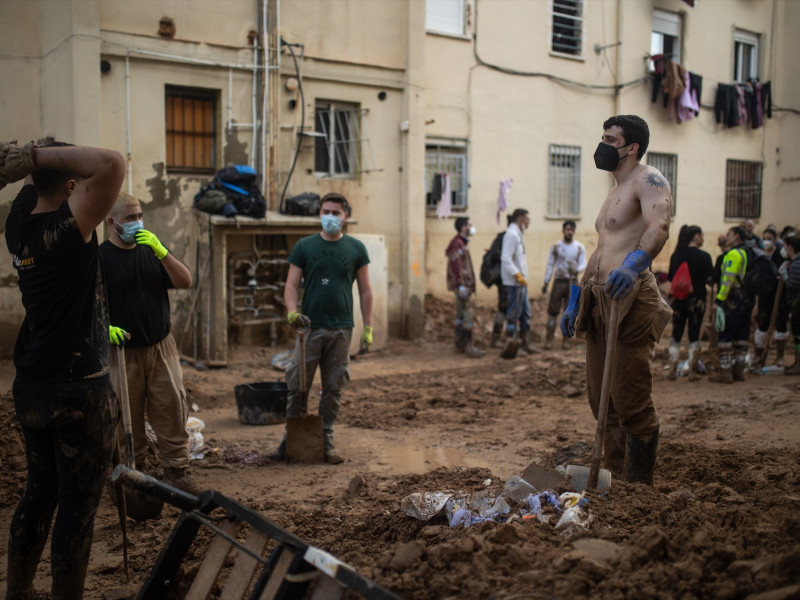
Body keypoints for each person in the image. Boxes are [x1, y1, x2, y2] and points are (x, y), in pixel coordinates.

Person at [3, 140, 125, 599]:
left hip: (32, 387)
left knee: (39, 492)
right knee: (77, 509)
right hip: (79, 394)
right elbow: (110, 163)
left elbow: (31, 185)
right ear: (73, 186)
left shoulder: (17, 228)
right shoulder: (67, 230)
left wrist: (30, 160)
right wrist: (37, 154)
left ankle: (18, 591)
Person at [560, 115, 672, 485]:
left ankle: (638, 482)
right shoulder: (614, 191)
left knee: (629, 393)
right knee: (600, 397)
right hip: (598, 299)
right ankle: (613, 470)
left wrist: (634, 264)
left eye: (610, 139)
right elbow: (600, 250)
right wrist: (576, 298)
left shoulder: (649, 180)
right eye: (603, 136)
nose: (603, 144)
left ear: (631, 147)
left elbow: (659, 226)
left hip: (630, 296)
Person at [100, 192, 196, 491]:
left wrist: (161, 251)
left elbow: (185, 281)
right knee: (125, 419)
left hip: (161, 347)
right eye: (131, 218)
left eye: (140, 216)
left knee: (171, 410)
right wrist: (104, 328)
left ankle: (177, 471)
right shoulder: (100, 257)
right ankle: (134, 474)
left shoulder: (152, 250)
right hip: (122, 351)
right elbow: (85, 305)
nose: (138, 223)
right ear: (111, 221)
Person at [269, 193, 372, 464]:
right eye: (326, 211)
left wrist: (368, 327)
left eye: (336, 213)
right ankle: (290, 439)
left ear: (345, 217)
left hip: (341, 329)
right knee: (296, 384)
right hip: (309, 328)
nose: (330, 217)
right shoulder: (304, 246)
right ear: (319, 214)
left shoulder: (356, 248)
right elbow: (291, 285)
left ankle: (325, 438)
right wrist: (292, 312)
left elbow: (366, 290)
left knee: (334, 386)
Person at [666, 225, 713, 381]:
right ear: (696, 236)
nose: (703, 238)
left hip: (678, 301)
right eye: (702, 235)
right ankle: (692, 372)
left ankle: (672, 370)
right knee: (694, 335)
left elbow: (672, 277)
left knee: (676, 334)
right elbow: (710, 279)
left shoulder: (676, 255)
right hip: (697, 300)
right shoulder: (705, 256)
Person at [709, 226, 754, 383]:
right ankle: (739, 371)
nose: (727, 237)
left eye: (729, 234)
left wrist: (719, 300)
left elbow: (727, 279)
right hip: (747, 298)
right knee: (742, 335)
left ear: (736, 236)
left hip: (733, 298)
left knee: (726, 334)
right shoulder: (748, 252)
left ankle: (725, 372)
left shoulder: (733, 254)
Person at [542, 220, 586, 350]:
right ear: (563, 231)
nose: (569, 232)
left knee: (570, 311)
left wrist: (577, 270)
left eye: (572, 230)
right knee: (552, 311)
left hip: (572, 282)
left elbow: (583, 263)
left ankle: (566, 340)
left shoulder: (579, 247)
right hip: (558, 281)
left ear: (574, 231)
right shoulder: (556, 247)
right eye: (567, 229)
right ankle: (548, 340)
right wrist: (546, 281)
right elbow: (550, 264)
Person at [751, 227, 789, 370]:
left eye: (769, 238)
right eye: (764, 238)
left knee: (781, 323)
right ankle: (758, 354)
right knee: (763, 323)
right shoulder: (759, 254)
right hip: (764, 294)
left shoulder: (781, 253)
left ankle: (779, 357)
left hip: (780, 293)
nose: (766, 241)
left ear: (775, 239)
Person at [446, 216, 484, 357]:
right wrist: (461, 285)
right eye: (470, 225)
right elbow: (456, 267)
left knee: (461, 315)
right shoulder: (458, 244)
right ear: (463, 227)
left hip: (461, 285)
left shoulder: (461, 243)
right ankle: (468, 346)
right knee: (468, 314)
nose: (471, 227)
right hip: (462, 286)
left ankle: (459, 344)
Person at [500, 208, 535, 356]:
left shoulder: (518, 234)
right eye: (527, 219)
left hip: (521, 283)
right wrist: (517, 275)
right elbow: (506, 258)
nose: (528, 222)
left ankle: (525, 343)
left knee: (525, 313)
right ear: (521, 220)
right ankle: (512, 346)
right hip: (514, 283)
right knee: (513, 315)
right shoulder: (512, 234)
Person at [782, 236, 800, 375]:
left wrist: (785, 275)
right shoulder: (794, 262)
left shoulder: (797, 263)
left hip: (798, 305)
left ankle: (798, 365)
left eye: (785, 246)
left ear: (790, 247)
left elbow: (793, 284)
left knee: (798, 335)